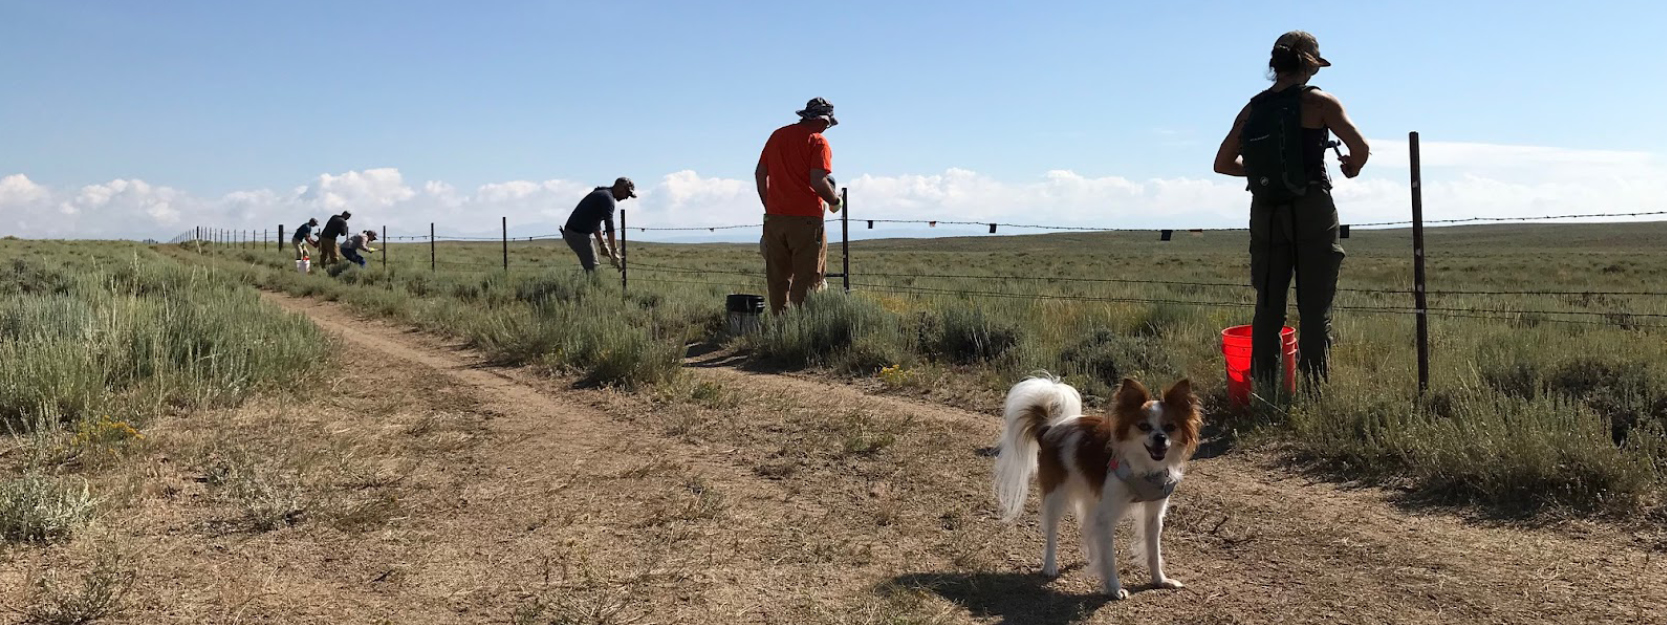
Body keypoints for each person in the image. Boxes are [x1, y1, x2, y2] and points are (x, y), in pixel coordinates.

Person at [1213, 31, 1368, 391]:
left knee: (1268, 307)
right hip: (1312, 208)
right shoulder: (1320, 103)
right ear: (1309, 64)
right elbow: (1360, 147)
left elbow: (1222, 163)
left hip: (1266, 212)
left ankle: (1264, 391)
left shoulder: (1253, 108)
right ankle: (1314, 393)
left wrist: (1259, 171)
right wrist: (1352, 167)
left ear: (1276, 65)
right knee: (1314, 309)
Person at [755, 97, 843, 314]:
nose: (827, 128)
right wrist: (835, 200)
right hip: (806, 219)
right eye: (827, 123)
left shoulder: (778, 136)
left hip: (775, 219)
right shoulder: (818, 142)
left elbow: (760, 173)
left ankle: (781, 327)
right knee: (807, 278)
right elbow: (818, 181)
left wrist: (769, 204)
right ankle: (800, 328)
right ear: (822, 120)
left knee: (778, 278)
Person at [562, 177, 634, 272]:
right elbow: (609, 225)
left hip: (575, 232)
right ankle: (582, 285)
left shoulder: (602, 194)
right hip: (577, 234)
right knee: (593, 269)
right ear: (620, 188)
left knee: (590, 267)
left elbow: (595, 223)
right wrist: (614, 250)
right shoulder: (607, 198)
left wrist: (602, 244)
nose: (626, 197)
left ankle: (577, 284)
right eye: (627, 193)